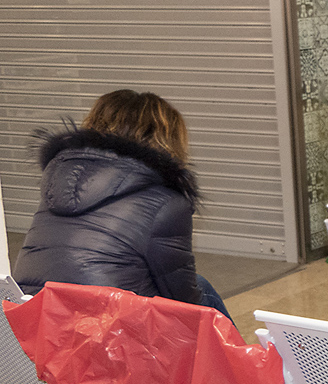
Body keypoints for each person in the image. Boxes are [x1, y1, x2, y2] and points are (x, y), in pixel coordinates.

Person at [14, 89, 229, 318]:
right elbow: (184, 301)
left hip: (36, 320)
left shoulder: (57, 182)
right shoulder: (166, 202)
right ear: (166, 139)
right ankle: (237, 354)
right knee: (202, 291)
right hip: (108, 332)